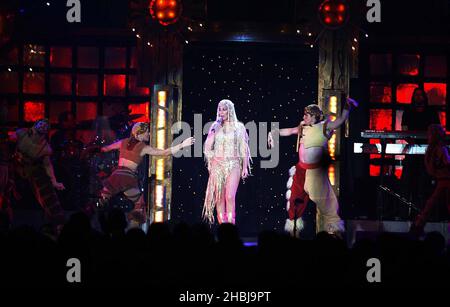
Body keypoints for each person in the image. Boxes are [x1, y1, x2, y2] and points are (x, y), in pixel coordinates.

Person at [268, 97, 357, 236]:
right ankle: (294, 232)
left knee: (325, 202)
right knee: (294, 202)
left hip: (315, 173)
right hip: (301, 170)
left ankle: (335, 232)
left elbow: (339, 122)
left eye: (307, 115)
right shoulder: (303, 127)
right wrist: (274, 132)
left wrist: (347, 107)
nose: (304, 117)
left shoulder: (323, 126)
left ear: (314, 116)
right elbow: (290, 131)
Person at [99, 122, 195, 224]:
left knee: (102, 201)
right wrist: (182, 144)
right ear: (139, 134)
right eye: (147, 132)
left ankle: (100, 222)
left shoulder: (123, 142)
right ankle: (134, 229)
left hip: (116, 176)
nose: (149, 134)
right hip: (128, 179)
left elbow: (106, 148)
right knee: (139, 207)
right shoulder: (143, 147)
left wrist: (95, 150)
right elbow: (164, 152)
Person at [203, 99, 251, 224]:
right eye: (219, 109)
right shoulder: (215, 126)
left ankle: (231, 224)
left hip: (233, 164)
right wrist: (215, 129)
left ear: (230, 110)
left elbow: (244, 148)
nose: (221, 112)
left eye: (224, 109)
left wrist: (245, 166)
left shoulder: (239, 127)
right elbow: (207, 146)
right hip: (217, 165)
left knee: (229, 196)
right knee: (219, 198)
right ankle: (222, 226)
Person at [11, 119, 65, 226]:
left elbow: (48, 165)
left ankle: (56, 223)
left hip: (32, 172)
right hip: (13, 168)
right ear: (35, 125)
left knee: (48, 199)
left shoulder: (45, 148)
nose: (42, 127)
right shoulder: (22, 133)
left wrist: (54, 181)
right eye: (41, 124)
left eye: (45, 126)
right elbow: (9, 141)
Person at [401, 88, 440, 216]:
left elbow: (437, 130)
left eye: (420, 95)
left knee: (425, 182)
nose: (418, 97)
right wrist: (410, 140)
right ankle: (407, 212)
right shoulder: (408, 111)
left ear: (424, 97)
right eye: (416, 95)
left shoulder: (431, 112)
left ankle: (425, 212)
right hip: (412, 151)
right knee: (408, 181)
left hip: (428, 152)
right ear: (413, 98)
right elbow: (404, 130)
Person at [410, 124, 450, 235]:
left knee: (430, 204)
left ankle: (418, 224)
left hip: (440, 179)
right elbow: (447, 162)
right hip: (446, 179)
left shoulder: (430, 149)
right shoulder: (441, 148)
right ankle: (419, 224)